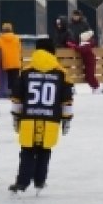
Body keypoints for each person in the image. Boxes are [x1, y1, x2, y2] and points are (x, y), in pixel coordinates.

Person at [9, 38, 75, 194]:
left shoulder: (25, 72)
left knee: (27, 151)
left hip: (29, 119)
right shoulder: (62, 73)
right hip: (51, 120)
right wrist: (66, 120)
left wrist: (16, 117)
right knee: (44, 152)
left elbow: (17, 97)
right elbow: (67, 101)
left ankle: (21, 184)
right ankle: (39, 182)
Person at [0, 22, 23, 94]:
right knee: (15, 78)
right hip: (16, 62)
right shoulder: (17, 38)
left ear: (3, 30)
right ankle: (15, 93)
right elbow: (20, 49)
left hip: (6, 62)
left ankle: (8, 92)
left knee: (8, 78)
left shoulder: (0, 39)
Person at [73, 29, 103, 93]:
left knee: (90, 76)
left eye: (81, 38)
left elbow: (80, 49)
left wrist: (72, 45)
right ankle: (95, 87)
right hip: (88, 63)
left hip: (90, 63)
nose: (80, 39)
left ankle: (97, 87)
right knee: (88, 77)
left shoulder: (86, 45)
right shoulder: (85, 45)